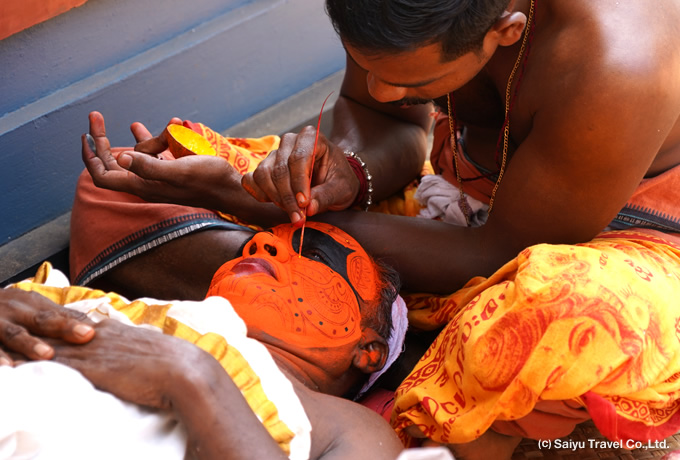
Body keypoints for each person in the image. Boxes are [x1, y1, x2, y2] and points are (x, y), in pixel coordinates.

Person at [62, 0, 680, 458]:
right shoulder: (404, 8)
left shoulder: (616, 64)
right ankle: (403, 359)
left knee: (562, 316)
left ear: (507, 30)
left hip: (610, 238)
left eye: (413, 82)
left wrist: (270, 214)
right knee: (132, 182)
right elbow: (381, 119)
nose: (386, 89)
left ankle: (339, 343)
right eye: (368, 66)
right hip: (446, 211)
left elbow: (497, 249)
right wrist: (343, 174)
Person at [0, 221, 409, 459]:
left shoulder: (348, 426)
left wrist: (191, 377)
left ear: (368, 352)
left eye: (314, 255)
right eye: (264, 239)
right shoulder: (126, 311)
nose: (259, 243)